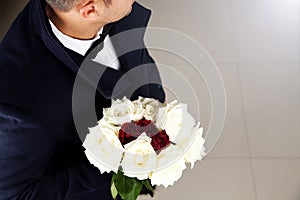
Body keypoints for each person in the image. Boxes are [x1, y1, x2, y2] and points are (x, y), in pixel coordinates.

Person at [0, 0, 165, 199]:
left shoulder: (102, 11)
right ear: (90, 10)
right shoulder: (18, 105)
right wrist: (123, 164)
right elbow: (17, 195)